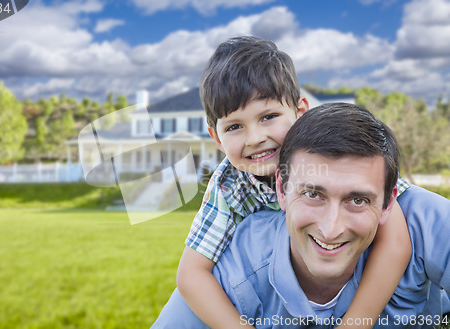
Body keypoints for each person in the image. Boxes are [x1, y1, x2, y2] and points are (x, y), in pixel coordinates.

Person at [176, 36, 411, 329]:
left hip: (355, 285)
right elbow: (191, 274)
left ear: (300, 112)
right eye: (235, 126)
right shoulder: (228, 185)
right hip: (280, 296)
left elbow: (396, 243)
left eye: (269, 116)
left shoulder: (338, 152)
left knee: (420, 212)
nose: (255, 138)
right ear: (217, 139)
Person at [152, 102, 450, 328]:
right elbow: (191, 276)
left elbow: (398, 243)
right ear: (280, 189)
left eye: (357, 199)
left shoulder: (422, 219)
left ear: (388, 202)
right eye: (313, 194)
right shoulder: (239, 264)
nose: (331, 229)